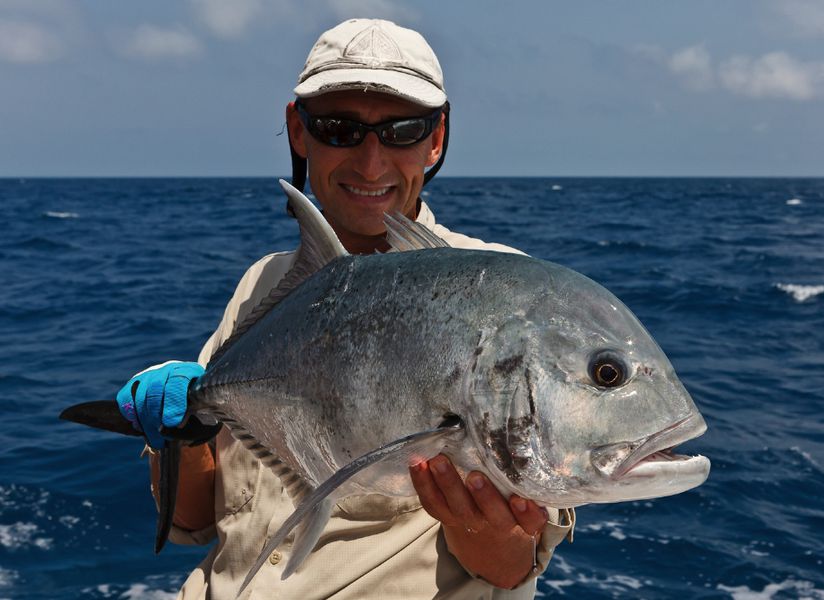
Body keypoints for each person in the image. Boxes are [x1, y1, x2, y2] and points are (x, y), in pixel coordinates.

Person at [117, 18, 574, 599]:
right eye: (339, 130)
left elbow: (510, 568)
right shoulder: (263, 285)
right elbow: (194, 520)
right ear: (298, 131)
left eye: (402, 131)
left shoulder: (503, 300)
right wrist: (178, 432)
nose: (371, 163)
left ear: (436, 138)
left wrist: (483, 525)